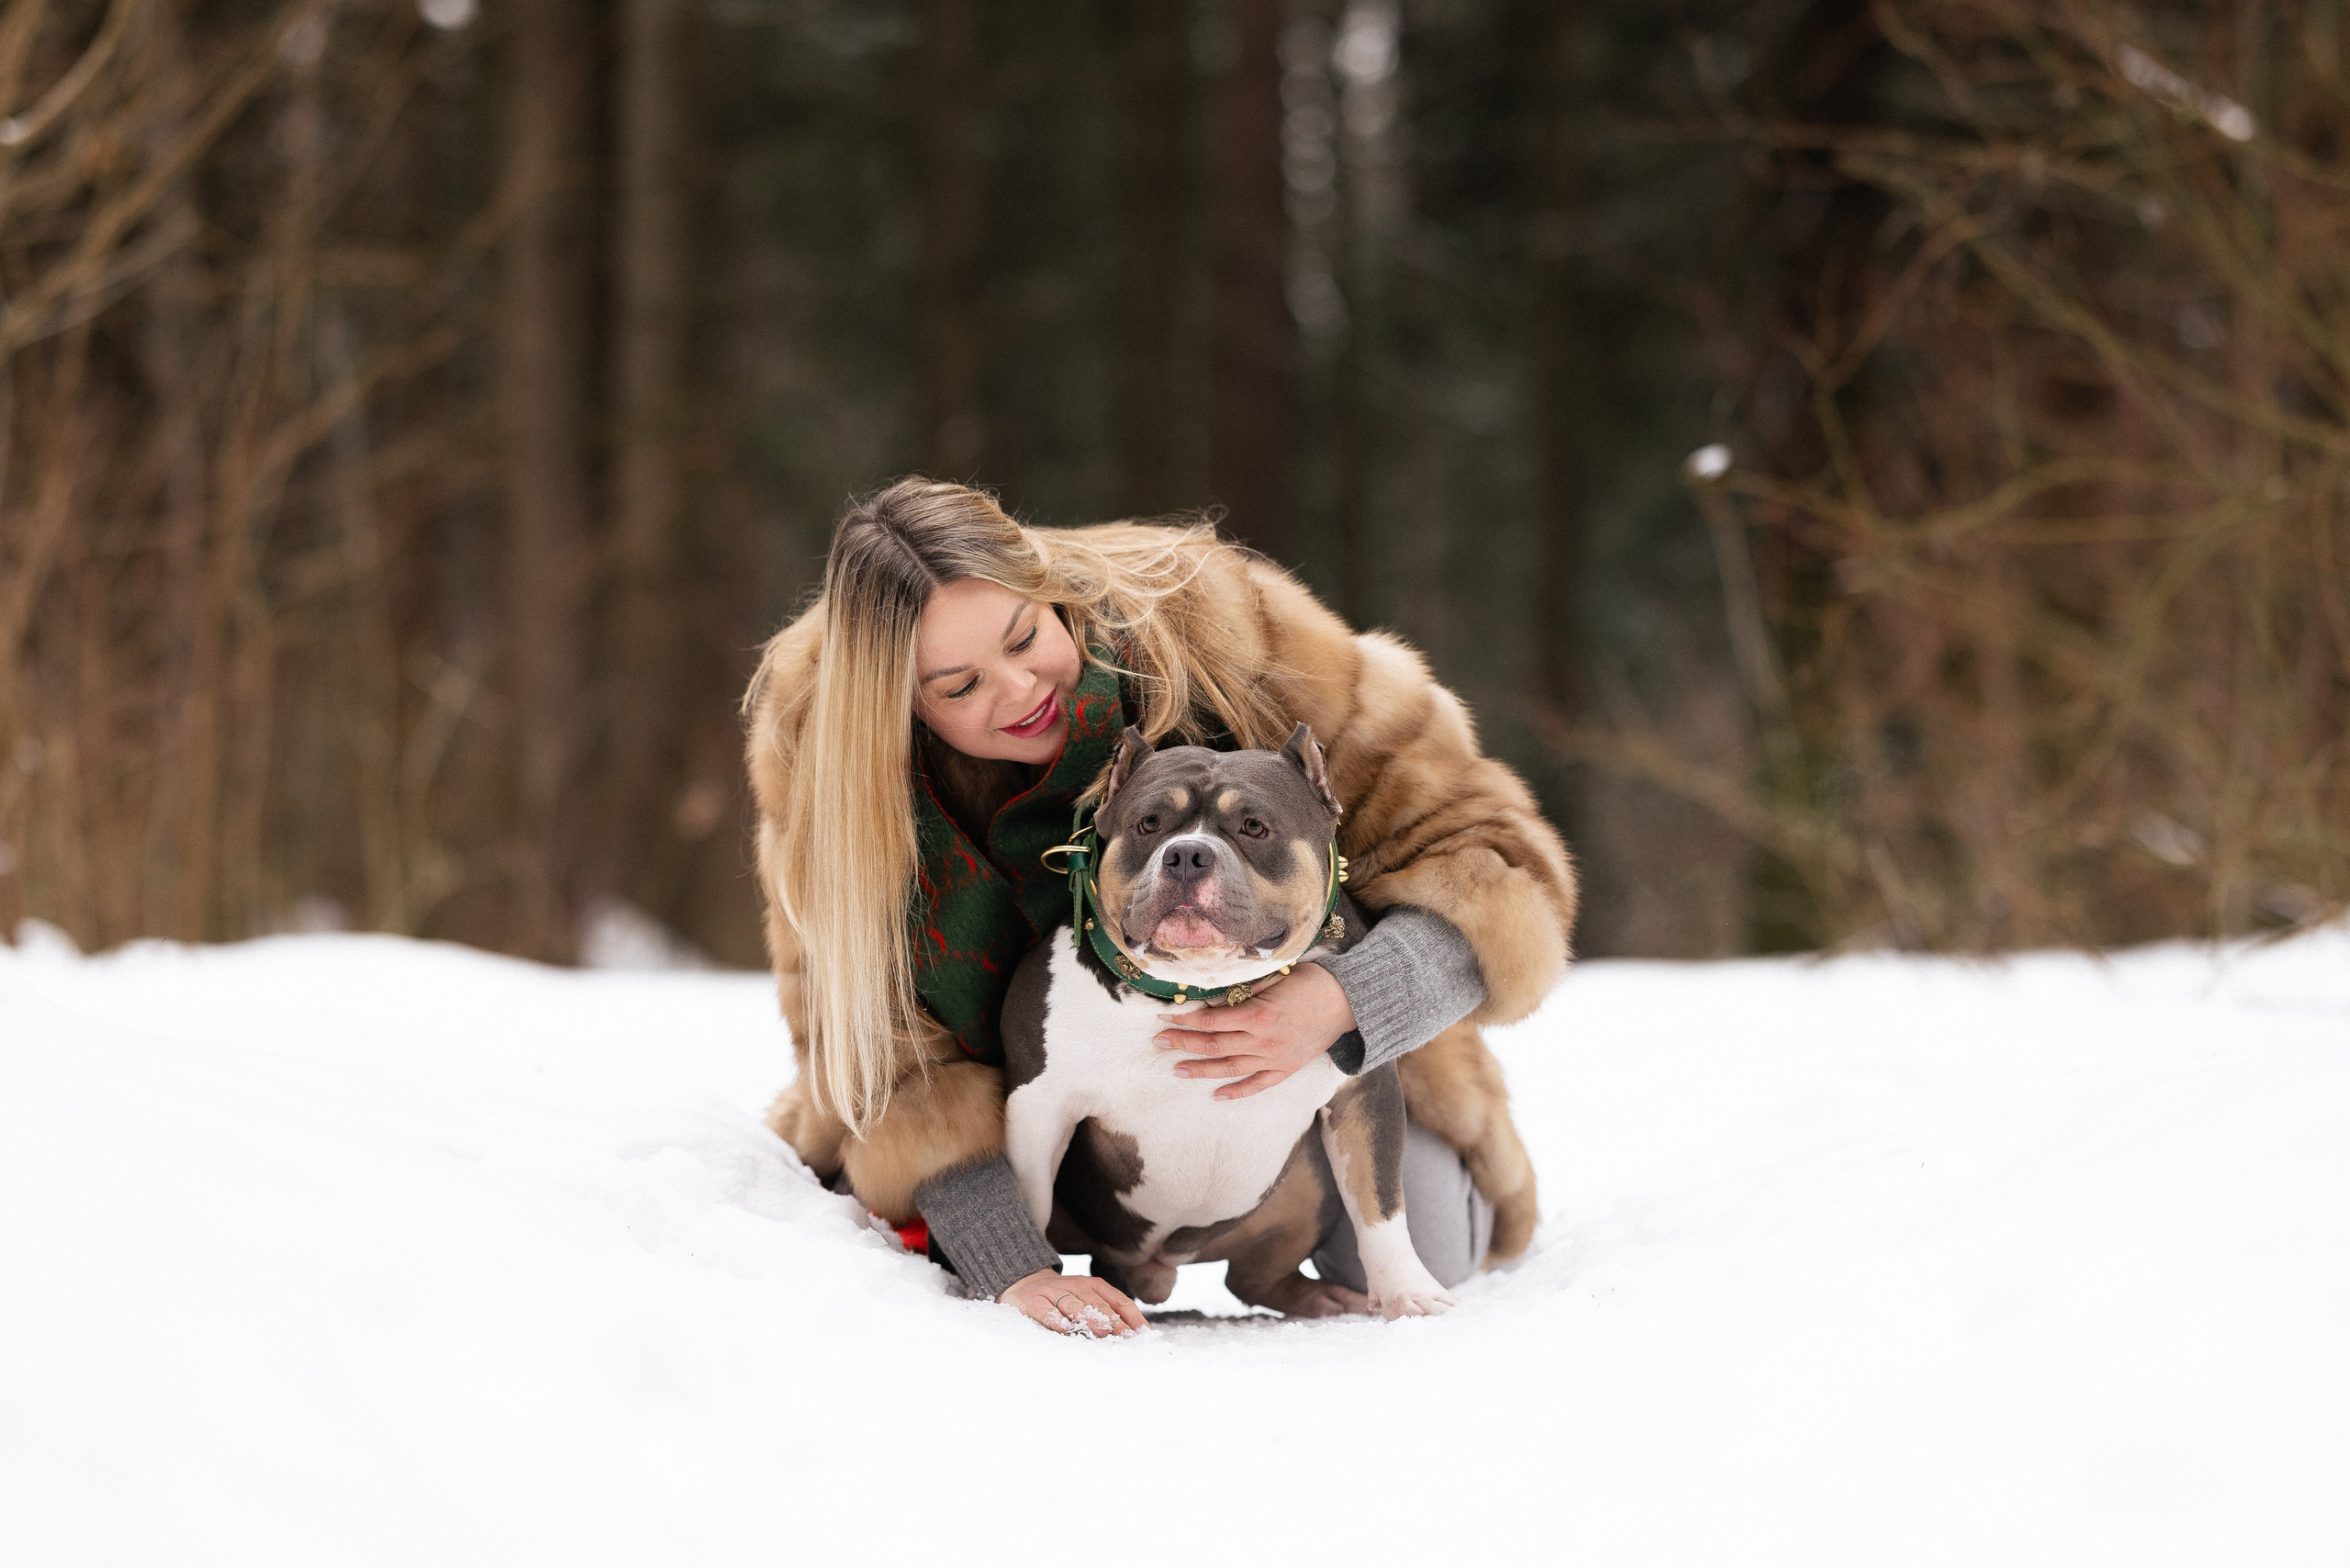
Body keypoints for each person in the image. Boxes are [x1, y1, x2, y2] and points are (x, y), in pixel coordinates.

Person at [744, 479, 1575, 1334]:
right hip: (1040, 1122)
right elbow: (891, 1071)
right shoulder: (837, 789)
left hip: (1311, 1051)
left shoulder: (1227, 631)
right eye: (960, 687)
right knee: (925, 1257)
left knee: (1435, 1244)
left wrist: (1350, 1000)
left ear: (1049, 591)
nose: (1020, 688)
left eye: (1026, 637)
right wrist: (1009, 1261)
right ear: (899, 706)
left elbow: (1490, 873)